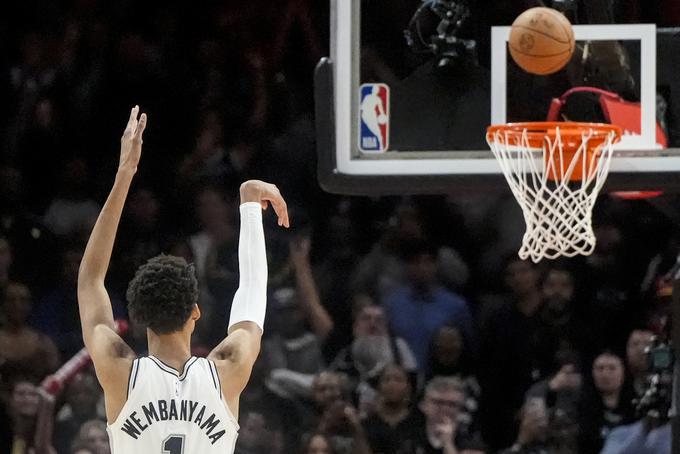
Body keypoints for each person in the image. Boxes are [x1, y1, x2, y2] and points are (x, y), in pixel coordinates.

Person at [76, 106, 290, 453]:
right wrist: (250, 204)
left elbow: (89, 280)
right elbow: (252, 293)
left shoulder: (119, 370)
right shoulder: (226, 371)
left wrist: (125, 174)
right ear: (195, 311)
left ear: (139, 316)